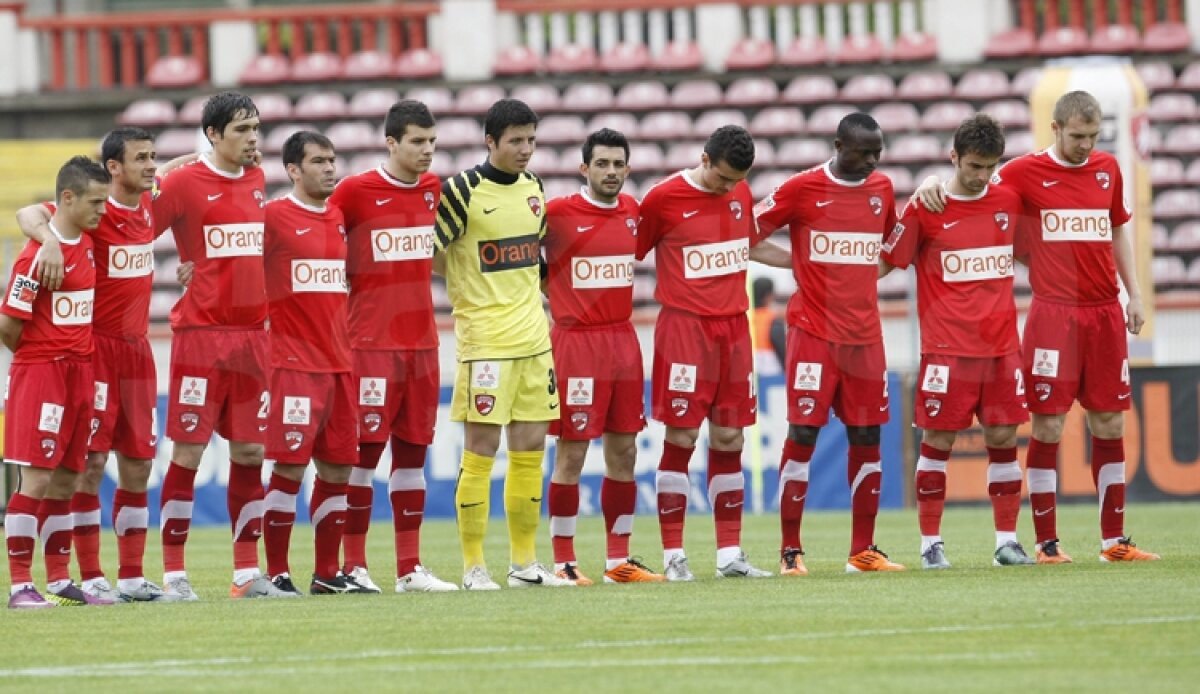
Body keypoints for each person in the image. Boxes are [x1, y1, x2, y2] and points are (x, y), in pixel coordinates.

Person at [916, 91, 1159, 563]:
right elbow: (971, 184)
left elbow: (1116, 230)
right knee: (1048, 425)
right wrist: (930, 182)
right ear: (1056, 129)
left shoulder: (1108, 168)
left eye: (1092, 136)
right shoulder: (1024, 172)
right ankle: (1047, 543)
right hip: (1053, 315)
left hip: (1105, 311)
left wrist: (1136, 293)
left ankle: (1113, 541)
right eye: (1077, 136)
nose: (1086, 145)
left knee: (1109, 421)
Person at [14, 129, 176, 602]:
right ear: (113, 168)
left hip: (138, 351)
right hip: (93, 349)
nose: (151, 165)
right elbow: (30, 213)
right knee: (88, 463)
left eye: (153, 157)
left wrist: (205, 154)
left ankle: (130, 577)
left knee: (140, 464)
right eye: (140, 158)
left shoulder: (149, 203)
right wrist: (47, 242)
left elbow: (177, 168)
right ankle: (87, 576)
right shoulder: (88, 213)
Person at [751, 113, 905, 575]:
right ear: (839, 145)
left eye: (878, 152)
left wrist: (854, 277)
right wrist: (795, 263)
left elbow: (889, 254)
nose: (873, 161)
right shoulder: (801, 189)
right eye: (864, 152)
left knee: (867, 438)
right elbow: (745, 235)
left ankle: (863, 551)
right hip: (813, 335)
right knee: (803, 435)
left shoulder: (882, 190)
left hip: (865, 339)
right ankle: (790, 551)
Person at [879, 114, 1034, 568]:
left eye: (989, 166)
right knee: (938, 441)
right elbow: (887, 263)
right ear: (954, 158)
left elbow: (1030, 253)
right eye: (973, 166)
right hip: (947, 350)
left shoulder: (1008, 199)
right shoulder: (925, 206)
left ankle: (1007, 541)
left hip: (1002, 348)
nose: (982, 176)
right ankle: (930, 543)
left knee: (1004, 437)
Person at [152, 91, 289, 599]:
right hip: (200, 339)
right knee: (187, 453)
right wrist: (165, 167)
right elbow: (135, 228)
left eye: (256, 127)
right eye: (241, 129)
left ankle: (245, 573)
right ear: (212, 135)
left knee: (251, 450)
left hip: (254, 338)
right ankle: (173, 574)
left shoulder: (257, 182)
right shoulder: (184, 183)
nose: (253, 138)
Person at [434, 98, 572, 590]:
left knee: (531, 449)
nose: (525, 150)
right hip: (485, 342)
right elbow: (432, 255)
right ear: (490, 141)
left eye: (531, 140)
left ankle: (525, 564)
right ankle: (473, 566)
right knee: (481, 451)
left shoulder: (535, 188)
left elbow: (533, 261)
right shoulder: (461, 191)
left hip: (535, 339)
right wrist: (467, 289)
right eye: (516, 140)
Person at [327, 100, 457, 593]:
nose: (427, 152)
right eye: (417, 142)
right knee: (363, 456)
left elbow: (438, 256)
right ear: (392, 143)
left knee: (412, 455)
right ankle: (354, 565)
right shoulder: (356, 191)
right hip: (370, 345)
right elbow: (318, 237)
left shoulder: (431, 190)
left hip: (422, 345)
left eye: (432, 142)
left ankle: (409, 569)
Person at [637, 125, 772, 581]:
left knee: (731, 438)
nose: (730, 188)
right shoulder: (663, 199)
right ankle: (674, 554)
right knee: (681, 438)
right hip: (684, 330)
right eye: (723, 179)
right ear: (704, 159)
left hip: (734, 329)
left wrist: (805, 260)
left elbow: (751, 244)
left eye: (737, 181)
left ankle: (729, 554)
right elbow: (627, 252)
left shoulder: (741, 192)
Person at [542, 128, 664, 585]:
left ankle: (618, 560)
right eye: (602, 164)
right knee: (571, 453)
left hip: (623, 342)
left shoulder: (634, 212)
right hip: (576, 343)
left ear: (627, 169)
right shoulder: (557, 214)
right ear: (584, 168)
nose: (611, 172)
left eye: (618, 165)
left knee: (625, 450)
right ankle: (563, 562)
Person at [2, 156, 111, 608]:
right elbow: (9, 324)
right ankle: (20, 584)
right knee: (38, 480)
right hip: (43, 373)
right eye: (95, 202)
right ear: (67, 199)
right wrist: (40, 359)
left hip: (81, 374)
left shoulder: (85, 243)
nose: (102, 211)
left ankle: (61, 580)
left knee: (69, 478)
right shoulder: (35, 256)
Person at [258, 131, 362, 596]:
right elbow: (235, 263)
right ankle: (278, 571)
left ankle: (326, 573)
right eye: (318, 161)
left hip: (340, 364)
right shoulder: (274, 218)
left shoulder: (339, 216)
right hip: (293, 364)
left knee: (338, 470)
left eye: (332, 159)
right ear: (294, 170)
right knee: (289, 469)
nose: (329, 168)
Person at [751, 277, 787, 377]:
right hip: (772, 372)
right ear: (768, 295)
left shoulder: (748, 318)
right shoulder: (773, 319)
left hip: (752, 371)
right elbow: (781, 349)